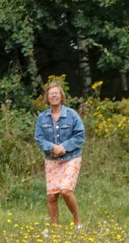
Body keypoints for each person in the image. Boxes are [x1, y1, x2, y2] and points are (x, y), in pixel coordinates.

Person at [34, 82, 85, 227]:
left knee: (66, 191)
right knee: (52, 195)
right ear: (47, 98)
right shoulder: (42, 118)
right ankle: (55, 228)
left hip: (71, 158)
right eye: (51, 94)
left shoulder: (72, 115)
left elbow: (80, 136)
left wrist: (63, 147)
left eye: (57, 93)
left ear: (61, 97)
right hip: (51, 159)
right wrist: (52, 148)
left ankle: (77, 221)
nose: (54, 96)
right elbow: (39, 138)